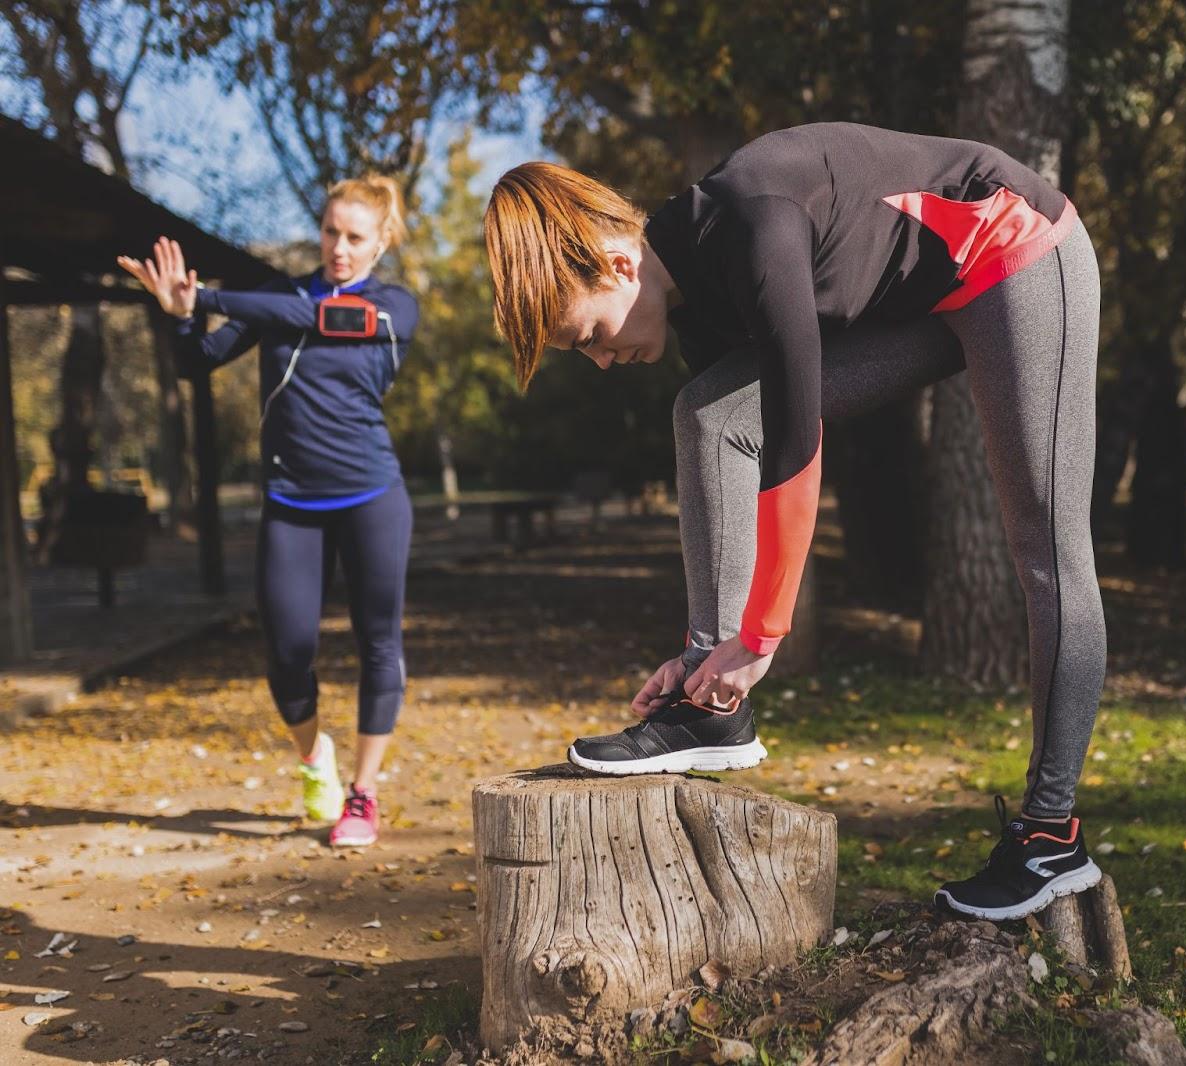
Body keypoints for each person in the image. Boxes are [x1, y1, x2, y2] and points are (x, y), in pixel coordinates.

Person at [483, 122, 1104, 921]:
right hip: (929, 299)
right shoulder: (694, 294)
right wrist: (708, 659)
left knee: (1047, 551)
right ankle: (710, 710)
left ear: (618, 265)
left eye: (590, 336)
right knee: (707, 414)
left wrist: (764, 633)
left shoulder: (753, 222)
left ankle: (1051, 834)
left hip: (1019, 252)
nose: (601, 362)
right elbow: (734, 453)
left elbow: (792, 437)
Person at [117, 175, 419, 848]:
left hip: (372, 495)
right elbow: (198, 360)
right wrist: (183, 314)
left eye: (354, 237)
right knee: (287, 653)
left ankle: (363, 797)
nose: (338, 248)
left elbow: (332, 320)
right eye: (330, 232)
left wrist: (215, 297)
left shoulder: (394, 305)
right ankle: (317, 760)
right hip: (291, 501)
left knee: (379, 645)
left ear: (382, 242)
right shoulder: (279, 295)